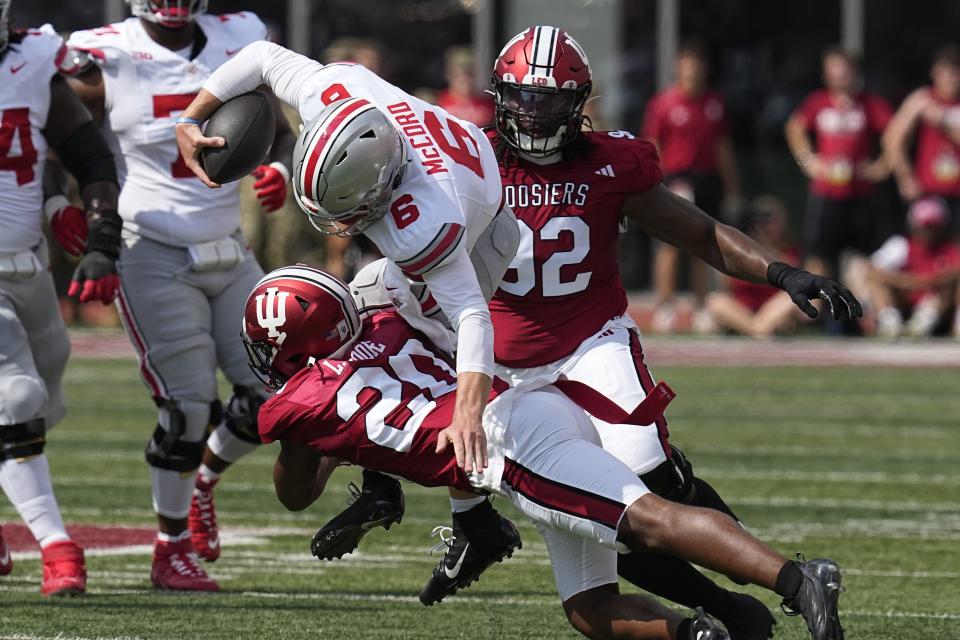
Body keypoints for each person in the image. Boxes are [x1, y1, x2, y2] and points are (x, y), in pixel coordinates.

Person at [485, 26, 860, 637]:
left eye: (550, 99)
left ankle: (777, 581)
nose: (532, 112)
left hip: (590, 341)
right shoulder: (471, 161)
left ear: (578, 102)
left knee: (648, 472)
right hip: (509, 372)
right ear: (499, 96)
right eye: (522, 96)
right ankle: (731, 609)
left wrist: (779, 271)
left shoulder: (613, 162)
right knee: (607, 511)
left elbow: (696, 231)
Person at [243, 264, 846, 640]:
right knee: (588, 607)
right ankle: (701, 633)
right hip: (528, 408)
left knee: (645, 521)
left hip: (511, 444)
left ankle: (797, 581)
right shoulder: (383, 326)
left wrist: (303, 445)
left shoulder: (296, 406)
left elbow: (295, 494)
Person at [174, 38, 525, 597]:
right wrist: (189, 119)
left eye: (345, 212)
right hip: (454, 186)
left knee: (421, 368)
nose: (337, 226)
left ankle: (473, 522)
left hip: (489, 238)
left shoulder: (423, 221)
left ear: (381, 185)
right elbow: (262, 57)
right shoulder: (333, 92)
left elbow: (473, 319)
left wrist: (467, 412)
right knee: (356, 313)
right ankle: (384, 485)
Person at [58, 0, 296, 591]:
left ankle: (205, 483)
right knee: (188, 407)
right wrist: (61, 206)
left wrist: (280, 169)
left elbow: (281, 131)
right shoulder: (101, 49)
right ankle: (170, 549)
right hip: (150, 250)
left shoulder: (236, 35)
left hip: (228, 246)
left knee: (279, 391)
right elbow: (49, 126)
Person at [0, 2, 122, 595]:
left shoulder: (31, 59)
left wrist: (93, 230)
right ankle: (57, 546)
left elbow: (84, 154)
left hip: (30, 268)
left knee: (46, 397)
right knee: (16, 396)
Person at [642, 41, 740, 332]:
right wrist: (653, 179)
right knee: (669, 244)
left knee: (704, 243)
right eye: (687, 64)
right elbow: (652, 143)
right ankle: (666, 306)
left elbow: (723, 146)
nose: (693, 70)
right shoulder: (664, 103)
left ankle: (700, 306)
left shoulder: (714, 103)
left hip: (707, 178)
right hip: (676, 177)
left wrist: (731, 183)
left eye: (697, 64)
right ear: (678, 67)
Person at [784, 46, 893, 282]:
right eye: (835, 67)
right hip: (827, 193)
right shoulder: (817, 103)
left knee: (867, 255)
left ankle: (863, 311)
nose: (841, 73)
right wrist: (808, 161)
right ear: (826, 74)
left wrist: (883, 166)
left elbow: (894, 133)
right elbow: (795, 128)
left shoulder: (870, 104)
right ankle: (815, 307)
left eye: (846, 67)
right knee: (819, 255)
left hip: (861, 194)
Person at [884, 45, 960, 232]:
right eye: (946, 72)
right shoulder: (921, 100)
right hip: (929, 192)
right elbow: (892, 139)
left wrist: (943, 122)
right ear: (935, 73)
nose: (951, 79)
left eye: (956, 73)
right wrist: (905, 177)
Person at [706, 197, 808, 337]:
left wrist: (767, 247)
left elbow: (791, 275)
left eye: (772, 220)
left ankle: (755, 329)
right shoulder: (741, 249)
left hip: (772, 309)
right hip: (744, 309)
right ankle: (759, 329)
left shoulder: (790, 250)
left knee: (790, 299)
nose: (767, 226)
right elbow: (728, 282)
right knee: (716, 301)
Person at [868, 196, 960, 338]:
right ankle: (890, 322)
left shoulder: (951, 248)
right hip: (905, 298)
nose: (929, 232)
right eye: (925, 227)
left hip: (935, 302)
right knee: (876, 281)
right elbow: (872, 270)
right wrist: (909, 281)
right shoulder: (900, 245)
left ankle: (925, 323)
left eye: (933, 227)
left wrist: (936, 279)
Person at [436, 47, 494, 127]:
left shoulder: (490, 105)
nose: (464, 79)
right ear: (448, 73)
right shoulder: (437, 102)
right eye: (458, 74)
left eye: (469, 73)